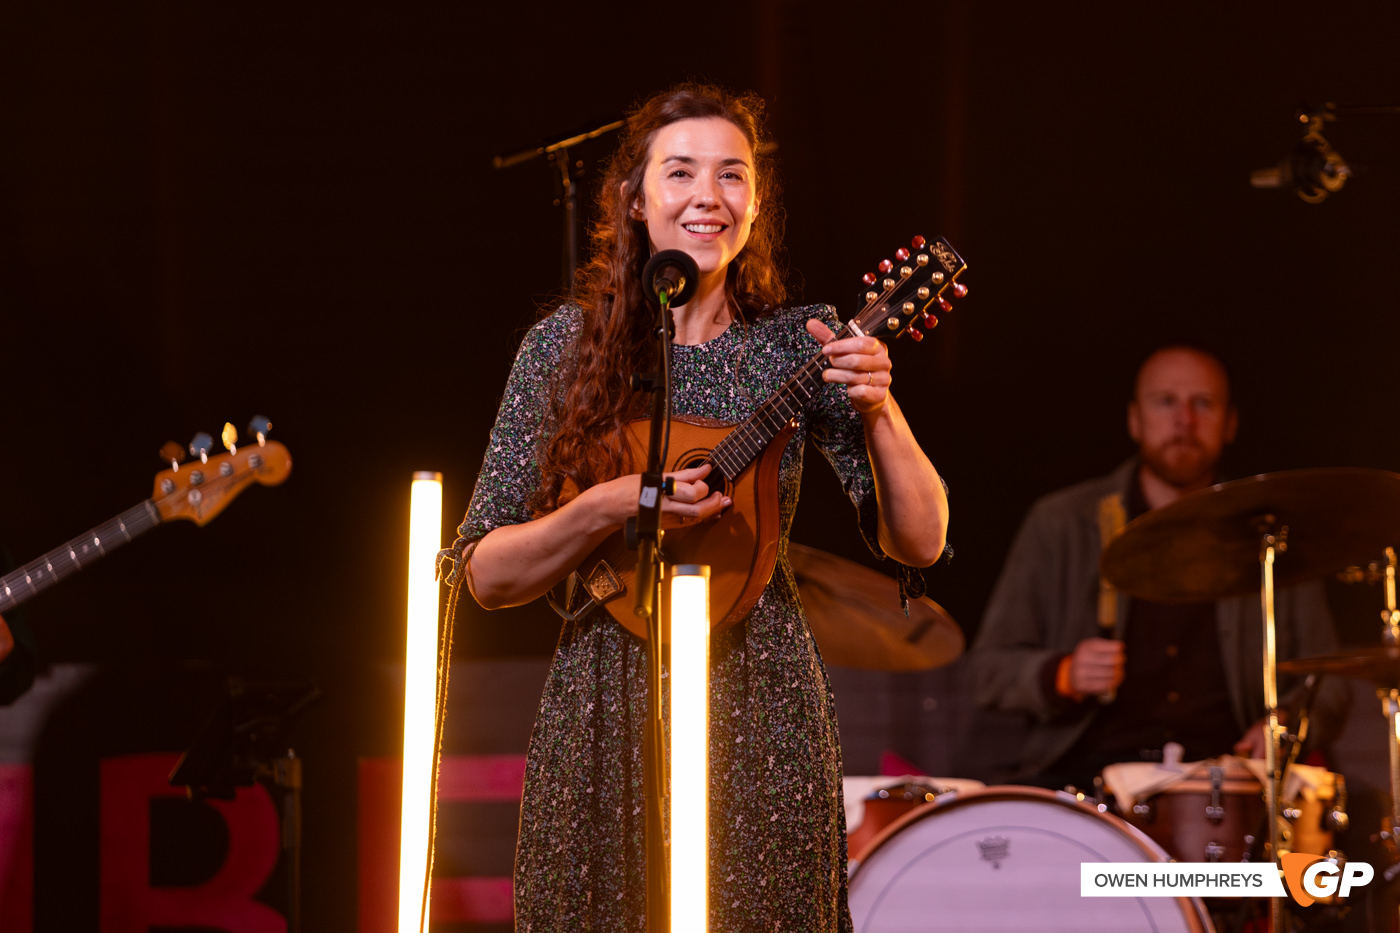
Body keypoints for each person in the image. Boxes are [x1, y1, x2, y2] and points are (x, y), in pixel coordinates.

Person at [443, 84, 948, 931]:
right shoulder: (564, 347)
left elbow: (921, 541)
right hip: (604, 696)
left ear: (755, 203)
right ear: (635, 200)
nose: (707, 195)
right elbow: (487, 574)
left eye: (731, 174)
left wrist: (879, 406)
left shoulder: (802, 343)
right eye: (680, 172)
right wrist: (612, 503)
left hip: (760, 694)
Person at [970, 345, 1349, 791]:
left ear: (1230, 423)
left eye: (1203, 403)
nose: (1184, 420)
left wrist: (1285, 722)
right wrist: (1063, 673)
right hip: (1087, 780)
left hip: (1227, 783)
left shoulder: (1270, 534)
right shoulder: (1061, 523)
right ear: (1135, 420)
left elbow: (1331, 682)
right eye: (1165, 401)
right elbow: (987, 670)